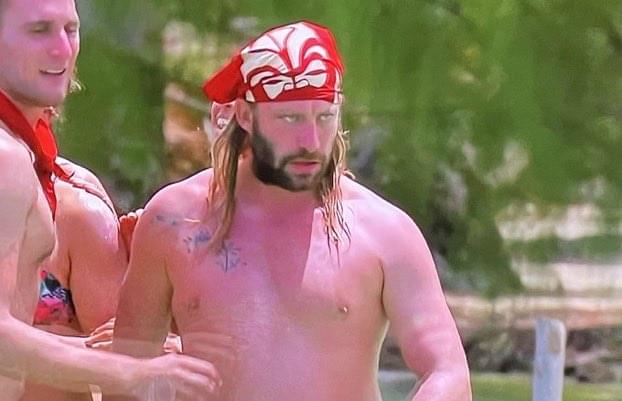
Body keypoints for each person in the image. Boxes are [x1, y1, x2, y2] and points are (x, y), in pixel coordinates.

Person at [112, 21, 471, 401]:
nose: (311, 141)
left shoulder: (382, 230)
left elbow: (447, 370)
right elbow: (128, 372)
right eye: (291, 118)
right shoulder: (174, 220)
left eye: (324, 117)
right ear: (245, 116)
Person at [0, 0, 220, 399]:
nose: (62, 49)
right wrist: (129, 370)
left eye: (71, 29)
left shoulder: (41, 168)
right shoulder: (6, 157)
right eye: (39, 30)